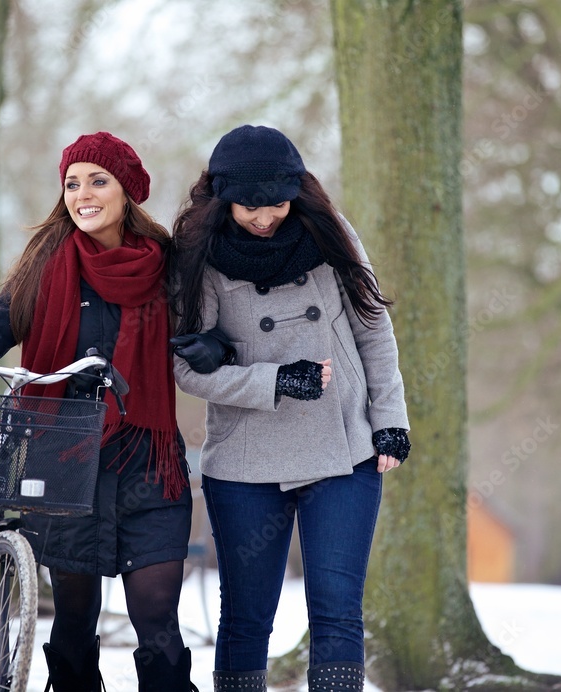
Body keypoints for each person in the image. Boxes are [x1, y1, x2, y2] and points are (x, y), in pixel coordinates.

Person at [0, 132, 200, 692]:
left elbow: (207, 326)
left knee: (157, 622)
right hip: (64, 457)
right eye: (72, 183)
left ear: (126, 191)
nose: (83, 194)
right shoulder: (45, 267)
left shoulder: (168, 267)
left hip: (148, 466)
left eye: (98, 180)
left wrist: (215, 345)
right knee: (73, 622)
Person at [169, 125, 411, 692]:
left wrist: (391, 421)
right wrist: (275, 381)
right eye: (249, 206)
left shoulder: (330, 235)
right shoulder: (199, 256)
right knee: (248, 617)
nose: (263, 218)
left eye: (276, 203)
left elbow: (374, 330)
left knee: (336, 611)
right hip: (246, 461)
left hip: (343, 451)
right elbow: (183, 367)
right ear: (222, 196)